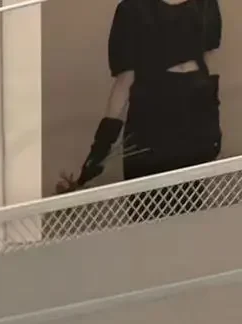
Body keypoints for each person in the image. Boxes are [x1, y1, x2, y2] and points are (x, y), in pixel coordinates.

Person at [63, 0, 221, 191]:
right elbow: (124, 81)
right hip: (151, 119)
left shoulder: (205, 3)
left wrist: (211, 116)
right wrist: (101, 146)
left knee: (190, 197)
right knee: (149, 198)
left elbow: (208, 60)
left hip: (193, 118)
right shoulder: (131, 9)